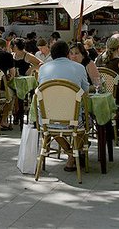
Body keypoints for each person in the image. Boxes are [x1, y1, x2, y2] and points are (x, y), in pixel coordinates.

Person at [38, 40, 89, 171]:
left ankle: (70, 152)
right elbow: (85, 92)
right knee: (82, 121)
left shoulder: (43, 68)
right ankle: (73, 155)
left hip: (47, 119)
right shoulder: (79, 68)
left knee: (53, 124)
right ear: (67, 54)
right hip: (73, 119)